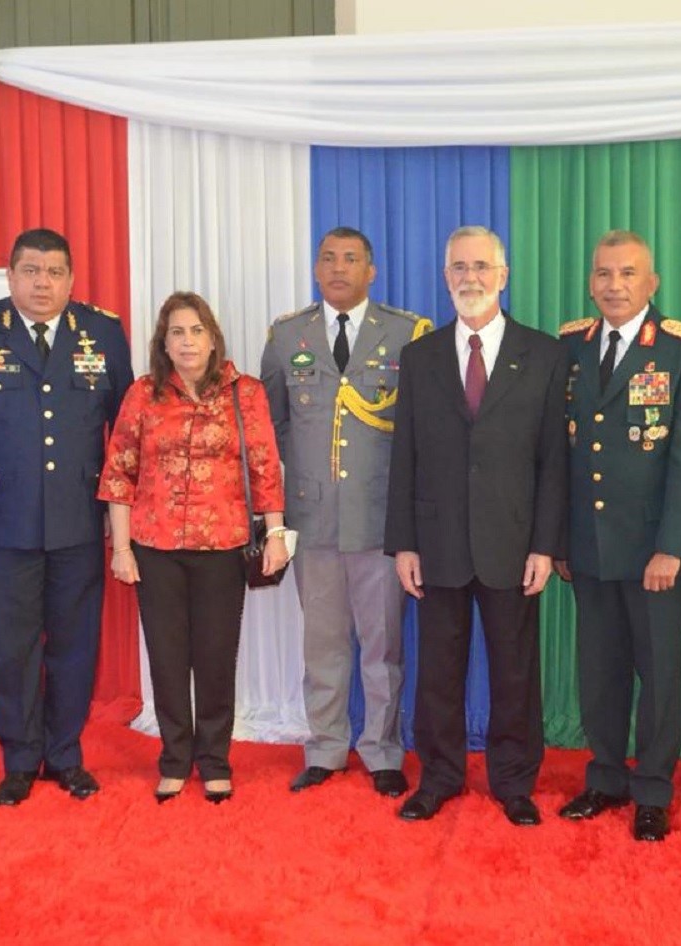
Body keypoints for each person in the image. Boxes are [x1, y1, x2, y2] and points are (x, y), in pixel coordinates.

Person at [0, 228, 133, 807]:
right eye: (30, 270)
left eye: (54, 272)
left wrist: (124, 520)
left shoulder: (102, 331)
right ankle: (19, 759)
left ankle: (65, 755)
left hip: (77, 518)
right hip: (3, 520)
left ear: (71, 279)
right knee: (14, 643)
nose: (42, 282)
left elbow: (124, 431)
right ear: (10, 276)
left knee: (74, 642)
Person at [384, 226, 568, 826]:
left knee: (515, 670)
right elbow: (404, 455)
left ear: (503, 275)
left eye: (483, 266)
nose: (471, 277)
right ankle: (438, 777)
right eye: (459, 267)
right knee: (438, 668)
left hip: (513, 544)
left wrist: (545, 544)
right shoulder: (420, 357)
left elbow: (552, 462)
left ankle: (514, 782)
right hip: (436, 544)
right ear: (445, 277)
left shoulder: (543, 355)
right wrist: (403, 542)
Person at [554, 230, 681, 842]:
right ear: (591, 282)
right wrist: (563, 541)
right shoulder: (573, 345)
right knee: (600, 669)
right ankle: (604, 778)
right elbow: (561, 455)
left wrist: (672, 546)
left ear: (652, 283)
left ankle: (652, 788)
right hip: (589, 546)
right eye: (603, 274)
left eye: (627, 274)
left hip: (654, 550)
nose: (613, 285)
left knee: (659, 673)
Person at [261, 227, 432, 798]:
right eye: (329, 258)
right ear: (316, 267)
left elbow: (420, 434)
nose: (339, 268)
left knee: (383, 649)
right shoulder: (288, 336)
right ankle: (327, 748)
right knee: (323, 645)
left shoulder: (407, 334)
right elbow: (272, 427)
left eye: (352, 259)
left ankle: (383, 752)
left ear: (372, 270)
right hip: (313, 522)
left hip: (380, 522)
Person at [102, 291, 287, 804]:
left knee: (214, 657)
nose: (187, 341)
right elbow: (120, 472)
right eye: (177, 332)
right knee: (166, 658)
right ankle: (174, 758)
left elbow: (265, 467)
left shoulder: (243, 392)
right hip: (154, 547)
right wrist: (121, 549)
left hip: (223, 546)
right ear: (164, 340)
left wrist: (275, 536)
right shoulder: (143, 395)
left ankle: (214, 759)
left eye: (196, 331)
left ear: (213, 338)